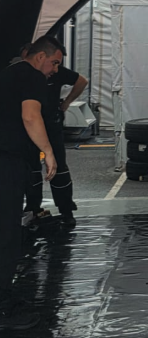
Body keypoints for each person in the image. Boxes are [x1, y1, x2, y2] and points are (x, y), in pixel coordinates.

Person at [0, 36, 61, 330]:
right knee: (7, 234)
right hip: (7, 161)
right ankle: (3, 307)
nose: (55, 70)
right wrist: (48, 151)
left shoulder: (8, 73)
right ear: (39, 57)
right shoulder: (32, 77)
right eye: (54, 63)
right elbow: (30, 115)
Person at [25, 54, 87, 227]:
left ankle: (66, 209)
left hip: (52, 124)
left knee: (58, 168)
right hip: (30, 126)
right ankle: (33, 208)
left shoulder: (57, 72)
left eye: (57, 64)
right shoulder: (25, 74)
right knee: (31, 168)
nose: (54, 69)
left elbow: (82, 81)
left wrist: (66, 103)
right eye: (54, 64)